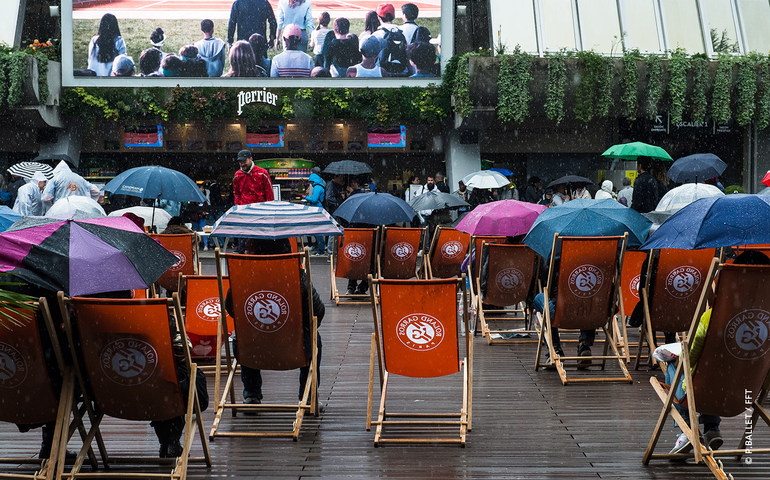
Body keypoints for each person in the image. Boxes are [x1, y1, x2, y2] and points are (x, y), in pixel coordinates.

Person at [666, 250, 770, 454]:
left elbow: (691, 359)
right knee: (714, 372)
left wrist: (677, 355)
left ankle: (687, 431)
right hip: (745, 394)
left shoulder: (713, 318)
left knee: (675, 366)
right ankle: (711, 429)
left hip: (704, 392)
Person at [224, 238, 324, 408]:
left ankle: (251, 394)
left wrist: (257, 324)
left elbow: (231, 308)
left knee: (242, 333)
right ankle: (308, 397)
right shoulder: (296, 275)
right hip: (293, 346)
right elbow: (317, 311)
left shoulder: (243, 277)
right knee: (314, 338)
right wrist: (293, 327)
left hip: (253, 347)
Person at [372, 3, 410, 76]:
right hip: (402, 71)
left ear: (378, 17)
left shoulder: (377, 34)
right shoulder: (403, 32)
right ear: (393, 16)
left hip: (383, 73)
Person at [303, 166, 327, 256]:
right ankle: (320, 248)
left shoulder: (317, 187)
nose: (310, 183)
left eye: (311, 181)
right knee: (317, 230)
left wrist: (306, 197)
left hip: (317, 209)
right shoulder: (320, 185)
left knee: (317, 231)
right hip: (318, 209)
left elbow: (314, 200)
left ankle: (320, 249)